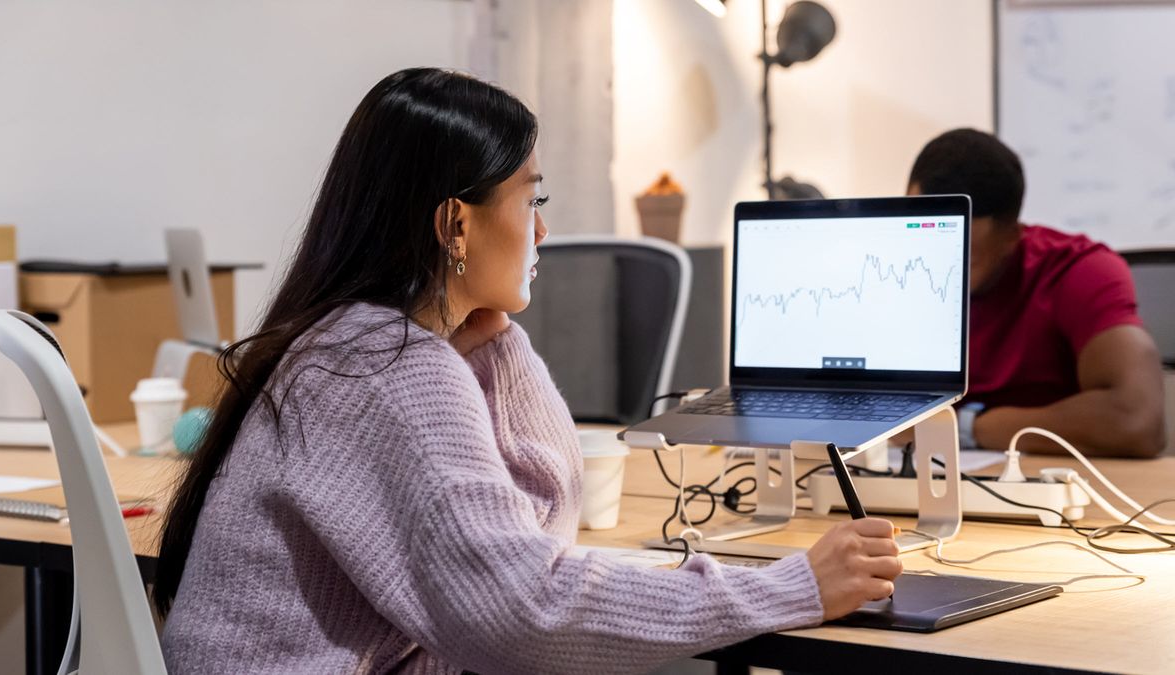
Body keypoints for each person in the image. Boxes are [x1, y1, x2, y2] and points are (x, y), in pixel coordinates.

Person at [154, 68, 903, 674]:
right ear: (457, 224)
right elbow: (524, 612)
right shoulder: (391, 369)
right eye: (530, 197)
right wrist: (790, 586)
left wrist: (495, 338)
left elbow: (537, 524)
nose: (542, 227)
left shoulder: (349, 343)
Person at [906, 128, 1165, 458]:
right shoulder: (881, 269)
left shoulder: (1078, 271)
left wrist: (963, 427)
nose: (933, 266)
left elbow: (1136, 420)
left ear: (1012, 236)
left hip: (1035, 482)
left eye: (964, 255)